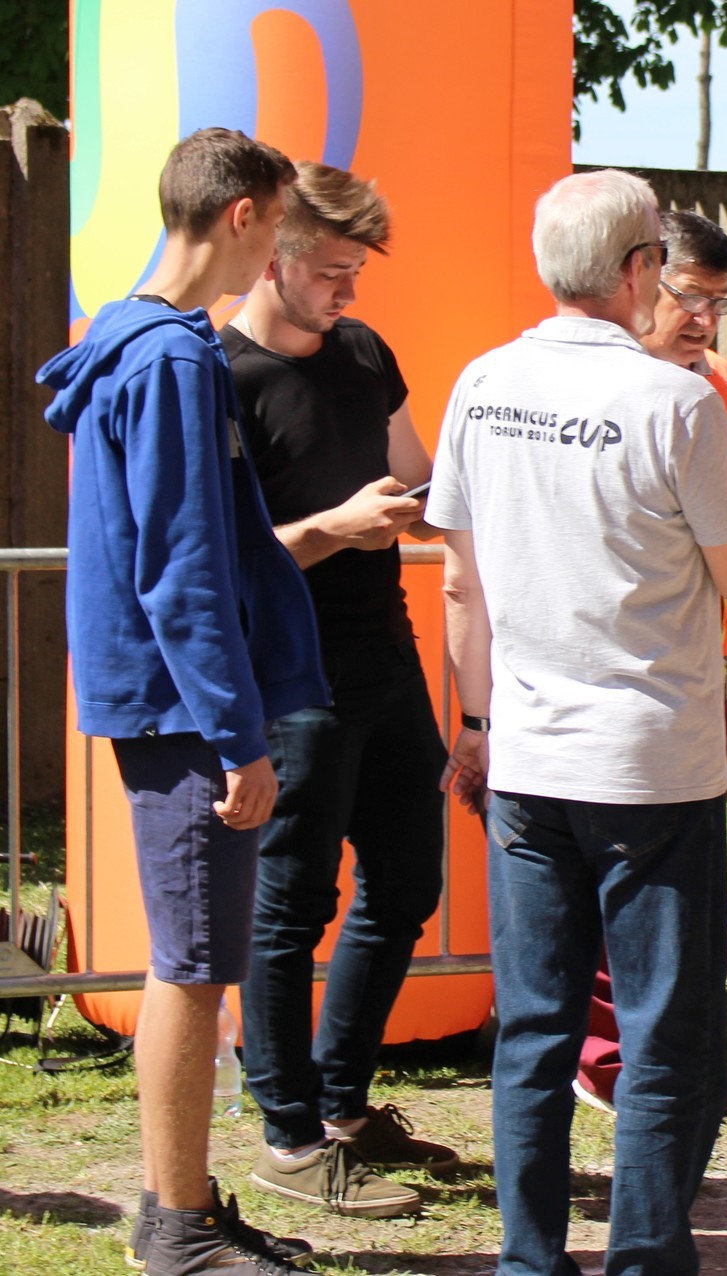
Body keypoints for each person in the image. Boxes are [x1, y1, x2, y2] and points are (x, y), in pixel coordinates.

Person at [427, 169, 727, 1276]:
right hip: (650, 764)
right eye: (660, 259)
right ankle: (645, 1257)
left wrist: (474, 721)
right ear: (638, 268)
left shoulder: (482, 383)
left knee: (535, 1029)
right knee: (662, 1032)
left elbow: (461, 582)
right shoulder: (676, 403)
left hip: (528, 753)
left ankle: (529, 1260)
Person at [38, 129, 328, 1276]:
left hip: (168, 701)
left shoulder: (144, 336)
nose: (282, 251)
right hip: (182, 710)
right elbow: (180, 565)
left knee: (196, 959)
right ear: (242, 215)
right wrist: (236, 734)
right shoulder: (167, 359)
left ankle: (187, 1205)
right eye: (281, 224)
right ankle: (175, 1229)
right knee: (194, 966)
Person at [221, 161, 458, 1217]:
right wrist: (334, 528)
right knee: (291, 906)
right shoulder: (221, 377)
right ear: (271, 255)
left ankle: (341, 1103)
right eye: (329, 271)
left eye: (356, 271)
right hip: (289, 675)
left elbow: (418, 475)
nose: (347, 292)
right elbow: (220, 561)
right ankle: (286, 1135)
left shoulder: (364, 350)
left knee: (406, 882)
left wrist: (429, 501)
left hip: (384, 655)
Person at [572, 208, 727, 1113]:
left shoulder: (720, 383)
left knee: (679, 885)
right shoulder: (591, 381)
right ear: (640, 279)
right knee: (608, 881)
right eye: (689, 296)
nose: (704, 320)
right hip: (609, 672)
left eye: (721, 302)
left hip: (701, 667)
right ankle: (603, 1059)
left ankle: (665, 1054)